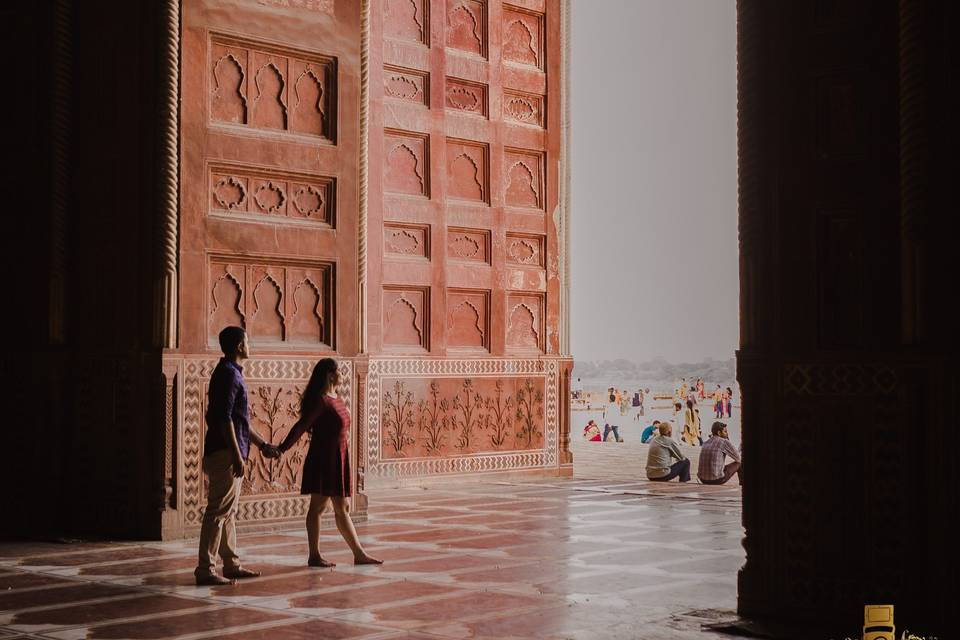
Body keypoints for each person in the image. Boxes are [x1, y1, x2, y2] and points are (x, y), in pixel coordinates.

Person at [277, 358, 382, 567]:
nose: (342, 375)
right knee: (318, 507)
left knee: (341, 507)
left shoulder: (335, 397)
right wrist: (282, 448)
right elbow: (301, 426)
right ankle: (316, 555)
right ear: (330, 374)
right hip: (324, 460)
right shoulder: (322, 401)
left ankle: (358, 553)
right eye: (339, 372)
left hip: (338, 458)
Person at [195, 326, 279, 586]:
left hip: (230, 450)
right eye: (247, 341)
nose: (249, 345)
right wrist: (236, 454)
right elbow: (224, 419)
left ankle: (231, 563)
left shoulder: (231, 373)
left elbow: (240, 421)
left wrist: (262, 444)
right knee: (218, 512)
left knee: (228, 512)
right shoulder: (229, 375)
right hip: (225, 453)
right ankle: (206, 569)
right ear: (239, 347)